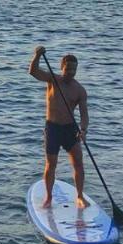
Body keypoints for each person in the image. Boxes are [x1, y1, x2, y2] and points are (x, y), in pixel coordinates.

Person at [28, 46, 88, 209]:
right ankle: (48, 197)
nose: (71, 72)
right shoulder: (52, 80)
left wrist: (83, 130)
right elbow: (33, 72)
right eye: (68, 69)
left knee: (78, 163)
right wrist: (37, 56)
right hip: (53, 129)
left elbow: (84, 115)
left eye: (74, 69)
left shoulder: (80, 90)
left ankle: (80, 197)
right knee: (51, 164)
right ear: (62, 67)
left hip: (70, 129)